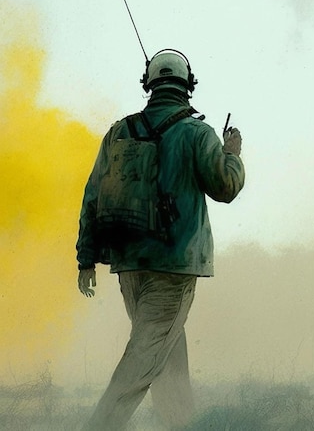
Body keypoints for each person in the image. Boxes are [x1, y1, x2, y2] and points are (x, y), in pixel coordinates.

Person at [76, 49, 245, 430]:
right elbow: (226, 187)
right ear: (189, 86)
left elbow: (92, 196)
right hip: (174, 266)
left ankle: (181, 423)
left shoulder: (119, 132)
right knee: (144, 359)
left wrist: (86, 259)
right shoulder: (197, 134)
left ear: (148, 84)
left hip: (130, 265)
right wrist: (232, 154)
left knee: (166, 352)